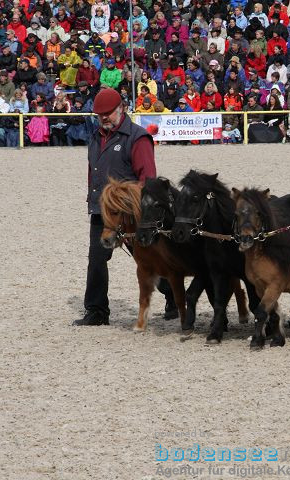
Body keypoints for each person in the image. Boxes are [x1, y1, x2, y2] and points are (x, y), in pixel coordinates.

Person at [74, 88, 176, 326]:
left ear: (121, 108)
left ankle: (174, 297)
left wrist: (131, 204)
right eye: (100, 114)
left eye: (108, 113)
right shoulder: (95, 138)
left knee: (149, 260)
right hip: (103, 211)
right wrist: (93, 196)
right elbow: (94, 171)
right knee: (97, 260)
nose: (104, 118)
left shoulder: (137, 138)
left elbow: (147, 179)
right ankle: (97, 311)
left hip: (131, 213)